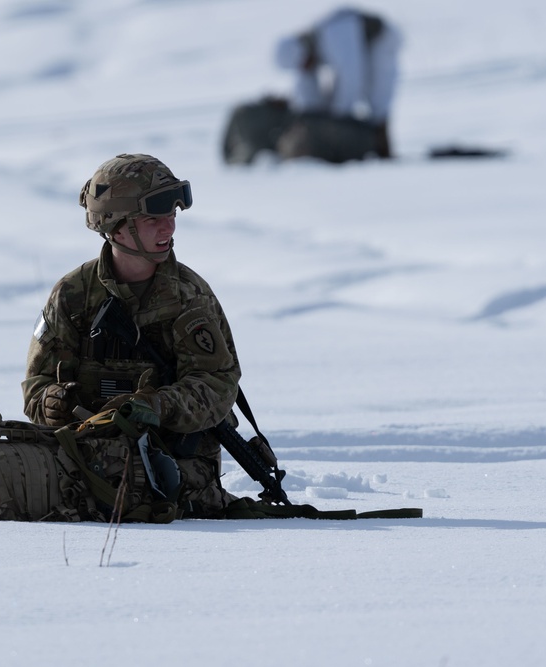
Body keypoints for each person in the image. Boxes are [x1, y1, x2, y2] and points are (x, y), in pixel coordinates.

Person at [22, 153, 241, 518]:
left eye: (171, 216)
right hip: (85, 454)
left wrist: (159, 406)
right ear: (116, 226)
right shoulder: (73, 295)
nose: (168, 228)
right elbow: (36, 384)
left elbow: (219, 384)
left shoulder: (190, 296)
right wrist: (51, 403)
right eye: (153, 218)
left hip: (172, 463)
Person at [275, 7, 402, 159]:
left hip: (382, 41)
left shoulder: (335, 34)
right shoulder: (309, 53)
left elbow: (351, 78)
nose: (307, 68)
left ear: (304, 53)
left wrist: (339, 120)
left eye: (305, 63)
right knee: (341, 102)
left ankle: (383, 148)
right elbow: (308, 91)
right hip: (360, 52)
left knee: (377, 100)